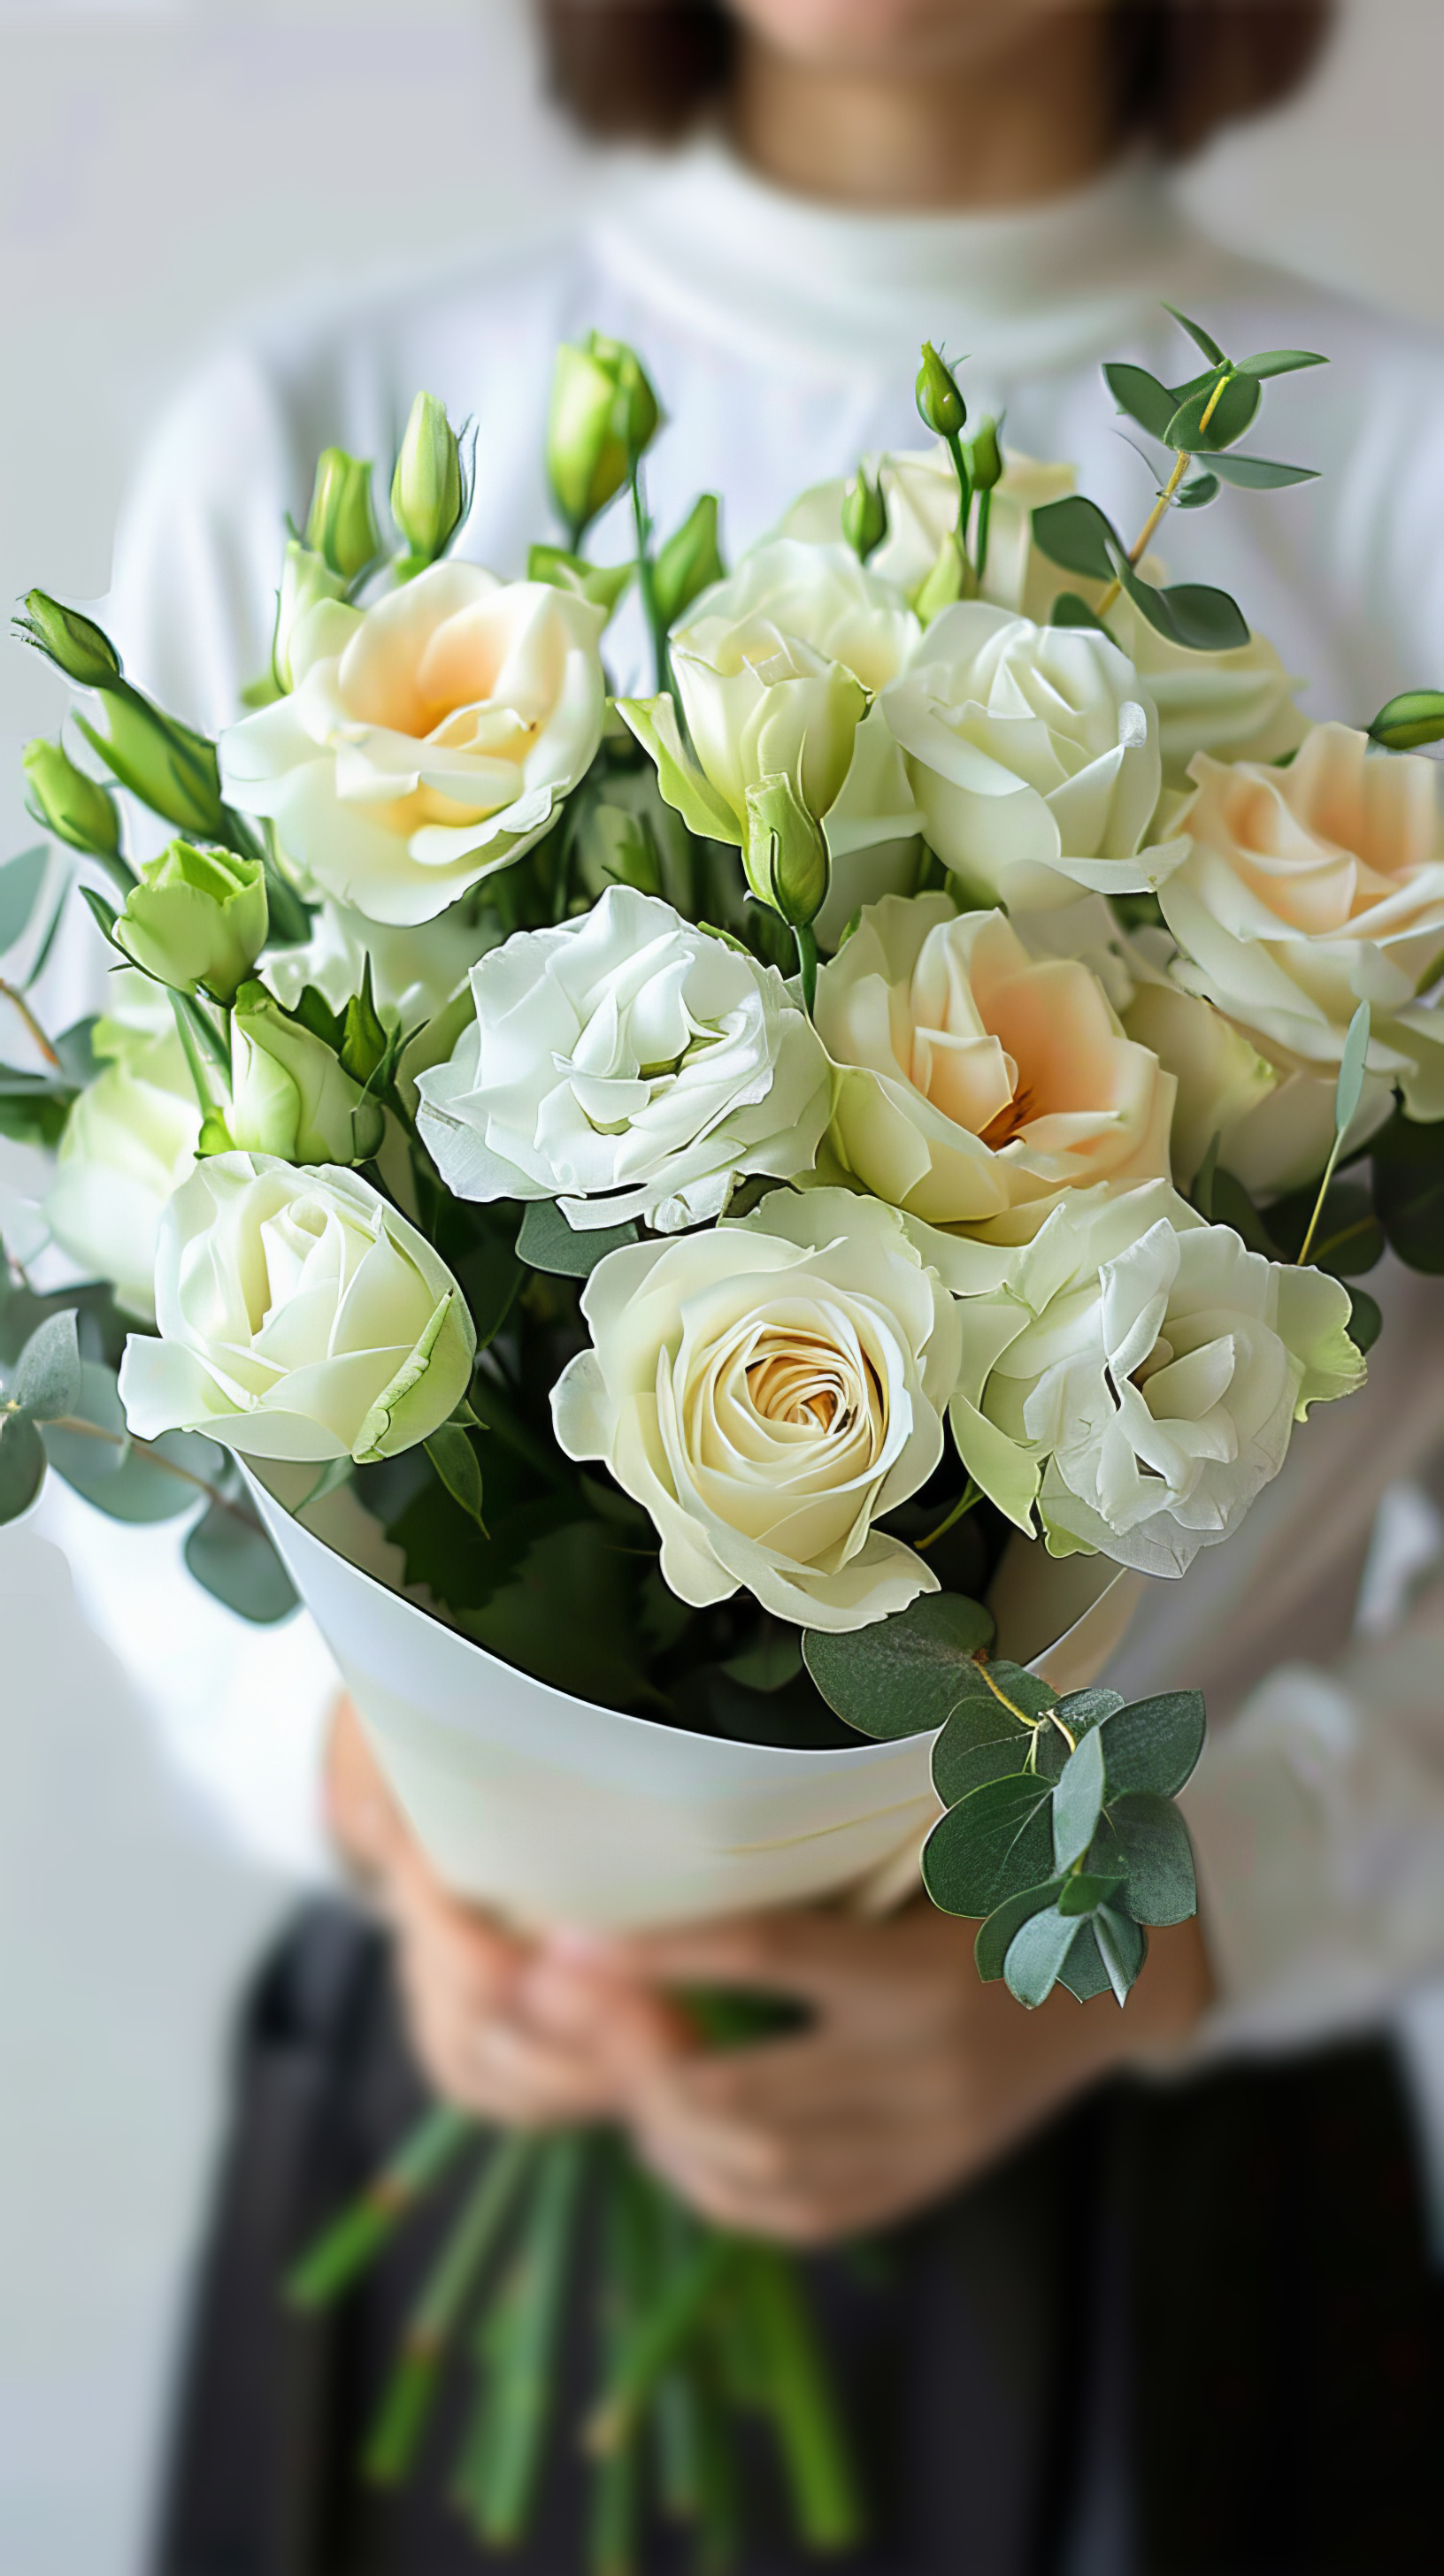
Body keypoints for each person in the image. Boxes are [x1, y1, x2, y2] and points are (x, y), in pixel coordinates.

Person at [48, 2, 1444, 2567]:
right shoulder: (320, 418)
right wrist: (370, 1794)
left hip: (1159, 2157)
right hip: (479, 2077)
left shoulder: (1420, 475)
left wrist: (1187, 1921)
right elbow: (122, 1277)